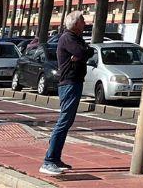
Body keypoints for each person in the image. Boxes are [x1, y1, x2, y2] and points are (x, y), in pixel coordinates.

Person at [42, 11, 89, 176]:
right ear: (75, 23)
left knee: (67, 122)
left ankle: (55, 158)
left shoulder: (76, 38)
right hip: (69, 83)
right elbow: (83, 52)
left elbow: (86, 52)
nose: (85, 23)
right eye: (82, 20)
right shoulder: (68, 38)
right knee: (63, 121)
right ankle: (48, 160)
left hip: (75, 82)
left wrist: (83, 53)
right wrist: (81, 54)